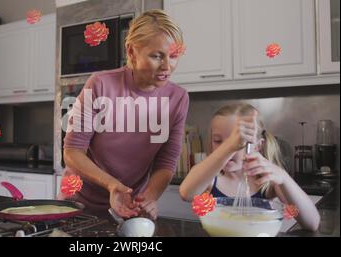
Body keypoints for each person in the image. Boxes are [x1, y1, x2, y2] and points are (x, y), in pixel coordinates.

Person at [58, 9, 189, 220]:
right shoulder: (100, 84)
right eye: (157, 56)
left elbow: (166, 162)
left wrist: (149, 198)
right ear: (131, 52)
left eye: (174, 56)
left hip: (128, 208)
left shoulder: (178, 98)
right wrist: (112, 185)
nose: (167, 66)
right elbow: (72, 152)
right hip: (78, 204)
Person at [179, 103, 320, 231]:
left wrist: (283, 177)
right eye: (218, 141)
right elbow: (186, 193)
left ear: (257, 146)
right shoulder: (210, 179)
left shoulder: (268, 183)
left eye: (239, 142)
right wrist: (229, 147)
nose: (229, 148)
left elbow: (312, 223)